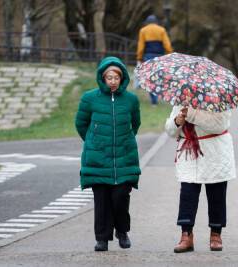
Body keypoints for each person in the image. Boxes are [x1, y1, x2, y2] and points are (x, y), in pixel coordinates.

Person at [75, 56, 141, 252]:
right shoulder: (89, 98)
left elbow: (135, 124)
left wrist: (124, 139)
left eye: (116, 77)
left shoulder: (131, 100)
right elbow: (81, 124)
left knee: (121, 196)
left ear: (122, 78)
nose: (113, 80)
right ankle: (102, 238)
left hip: (124, 156)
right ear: (102, 78)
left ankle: (122, 231)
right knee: (102, 199)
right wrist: (94, 141)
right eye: (109, 77)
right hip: (98, 157)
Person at [165, 105, 236, 253]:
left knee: (217, 194)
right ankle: (186, 235)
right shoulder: (182, 101)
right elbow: (170, 131)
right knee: (187, 194)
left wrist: (191, 115)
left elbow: (219, 125)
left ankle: (216, 234)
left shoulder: (219, 99)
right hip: (189, 151)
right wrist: (177, 121)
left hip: (216, 152)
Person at [136, 14, 173, 105]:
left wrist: (139, 57)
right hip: (159, 57)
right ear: (156, 22)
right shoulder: (161, 30)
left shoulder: (143, 30)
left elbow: (141, 46)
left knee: (149, 78)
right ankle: (156, 96)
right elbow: (167, 45)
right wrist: (169, 54)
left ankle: (153, 100)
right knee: (158, 77)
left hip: (148, 56)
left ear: (147, 22)